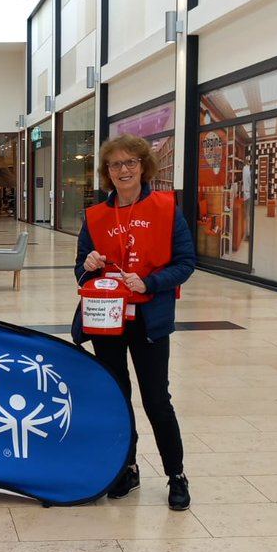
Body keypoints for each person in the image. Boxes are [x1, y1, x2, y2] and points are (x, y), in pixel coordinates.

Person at [73, 134, 195, 511]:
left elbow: (185, 263)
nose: (123, 170)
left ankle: (176, 475)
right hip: (107, 320)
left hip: (149, 320)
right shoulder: (95, 216)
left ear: (143, 166)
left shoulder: (166, 208)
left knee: (156, 399)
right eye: (115, 164)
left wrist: (149, 283)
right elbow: (80, 271)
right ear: (107, 172)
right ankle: (127, 468)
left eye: (130, 162)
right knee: (117, 397)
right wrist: (89, 265)